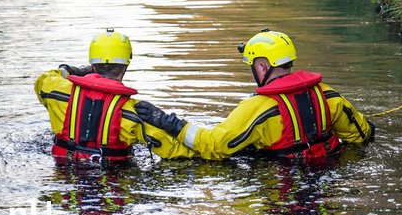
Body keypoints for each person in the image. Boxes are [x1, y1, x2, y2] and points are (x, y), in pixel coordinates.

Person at [134, 29, 374, 161]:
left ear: (262, 66)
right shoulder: (328, 95)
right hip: (327, 182)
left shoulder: (258, 108)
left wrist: (170, 123)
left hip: (280, 185)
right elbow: (362, 135)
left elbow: (214, 146)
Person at [35, 29, 195, 163]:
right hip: (112, 180)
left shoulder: (55, 91)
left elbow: (43, 79)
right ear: (126, 65)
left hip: (64, 173)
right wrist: (170, 124)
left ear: (92, 64)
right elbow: (176, 153)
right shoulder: (134, 113)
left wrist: (73, 70)